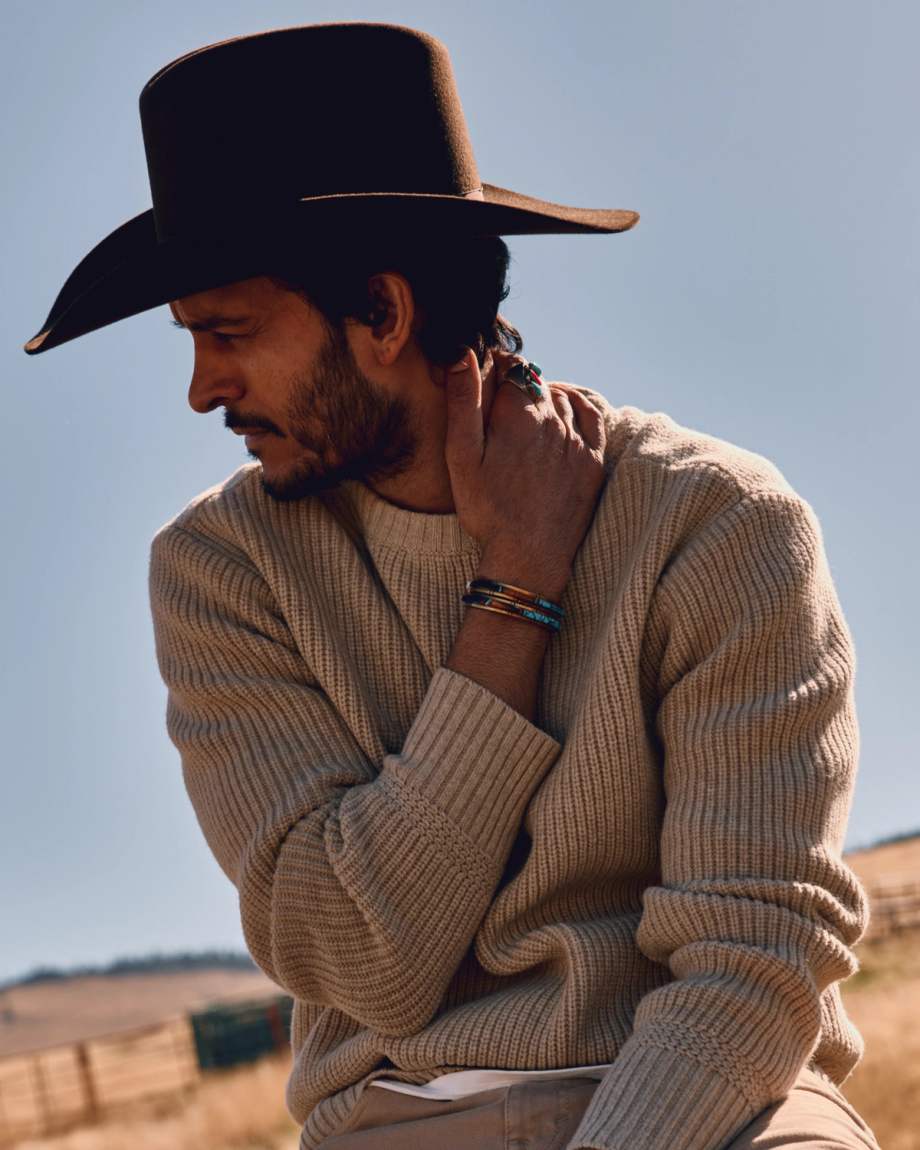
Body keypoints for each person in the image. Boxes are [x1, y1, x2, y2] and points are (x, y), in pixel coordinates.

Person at [24, 22, 879, 1150]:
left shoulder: (716, 523)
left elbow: (753, 959)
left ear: (381, 313)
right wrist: (513, 592)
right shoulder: (220, 574)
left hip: (711, 1106)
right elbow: (360, 957)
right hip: (397, 1119)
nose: (200, 390)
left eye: (226, 332)